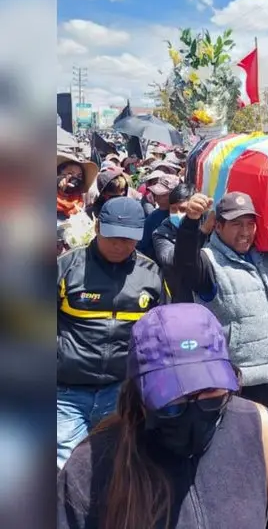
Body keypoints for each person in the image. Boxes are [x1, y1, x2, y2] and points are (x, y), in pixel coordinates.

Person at [57, 303, 268, 528]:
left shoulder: (259, 430)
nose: (195, 409)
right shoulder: (91, 467)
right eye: (174, 399)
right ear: (139, 394)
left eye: (210, 392)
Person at [56, 196, 167, 469]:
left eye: (128, 239)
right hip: (66, 394)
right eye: (113, 237)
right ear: (97, 228)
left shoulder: (152, 274)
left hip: (121, 393)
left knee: (113, 468)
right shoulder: (66, 266)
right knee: (66, 469)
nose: (120, 245)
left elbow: (160, 332)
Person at [175, 191, 268, 414]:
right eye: (236, 224)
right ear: (218, 226)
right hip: (235, 382)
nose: (245, 232)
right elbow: (184, 264)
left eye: (250, 224)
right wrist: (191, 223)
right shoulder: (208, 261)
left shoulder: (267, 257)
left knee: (265, 440)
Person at [151, 183, 213, 303]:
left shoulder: (209, 223)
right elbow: (172, 259)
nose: (178, 213)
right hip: (181, 299)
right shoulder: (161, 233)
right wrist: (201, 233)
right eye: (173, 209)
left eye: (184, 209)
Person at [138, 173, 179, 256]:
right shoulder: (152, 218)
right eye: (156, 194)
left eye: (163, 195)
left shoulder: (185, 215)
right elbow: (142, 247)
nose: (156, 198)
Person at [57, 154, 97, 222]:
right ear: (59, 174)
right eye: (70, 173)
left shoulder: (81, 201)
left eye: (79, 176)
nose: (75, 178)